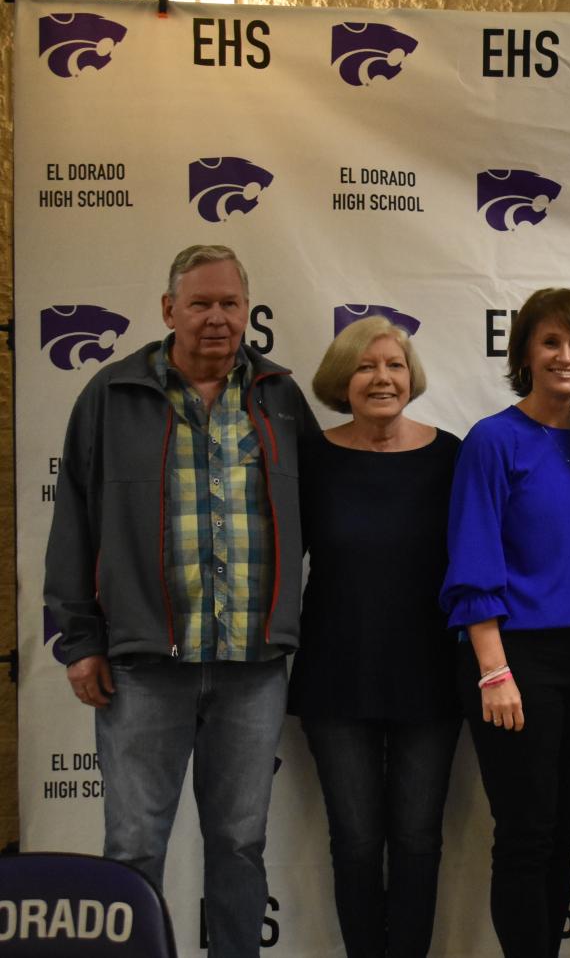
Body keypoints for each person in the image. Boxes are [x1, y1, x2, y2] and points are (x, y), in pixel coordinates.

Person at [44, 244, 314, 958]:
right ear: (169, 311)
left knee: (238, 847)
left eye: (229, 303)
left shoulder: (280, 398)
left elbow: (322, 514)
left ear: (246, 310)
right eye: (200, 304)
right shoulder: (110, 396)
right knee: (132, 849)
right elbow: (73, 520)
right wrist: (80, 642)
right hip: (143, 668)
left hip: (252, 667)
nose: (217, 318)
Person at [440, 288, 570, 958]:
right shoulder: (493, 440)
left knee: (564, 828)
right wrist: (494, 669)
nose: (565, 356)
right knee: (524, 832)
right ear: (523, 353)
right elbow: (473, 557)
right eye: (550, 342)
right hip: (514, 658)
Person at [290, 316, 460, 958]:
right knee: (356, 842)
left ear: (410, 375)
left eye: (393, 364)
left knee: (419, 839)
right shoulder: (311, 460)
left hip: (432, 673)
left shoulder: (453, 456)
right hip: (337, 674)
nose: (382, 377)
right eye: (365, 366)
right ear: (342, 380)